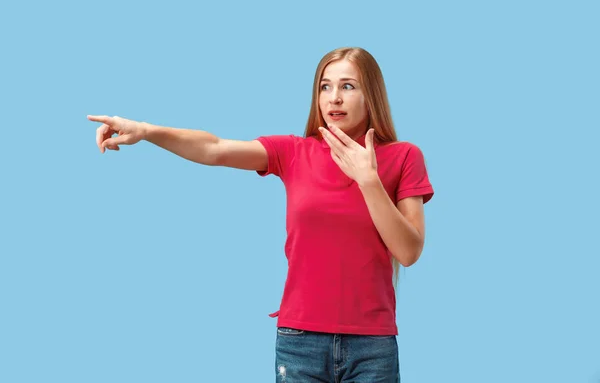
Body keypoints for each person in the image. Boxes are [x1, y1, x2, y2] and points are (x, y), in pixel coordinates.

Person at [88, 47, 434, 382]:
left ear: (370, 93)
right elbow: (215, 148)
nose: (334, 98)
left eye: (348, 86)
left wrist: (368, 181)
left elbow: (408, 251)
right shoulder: (293, 152)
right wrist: (148, 132)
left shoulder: (404, 157)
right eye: (325, 86)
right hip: (300, 341)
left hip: (372, 345)